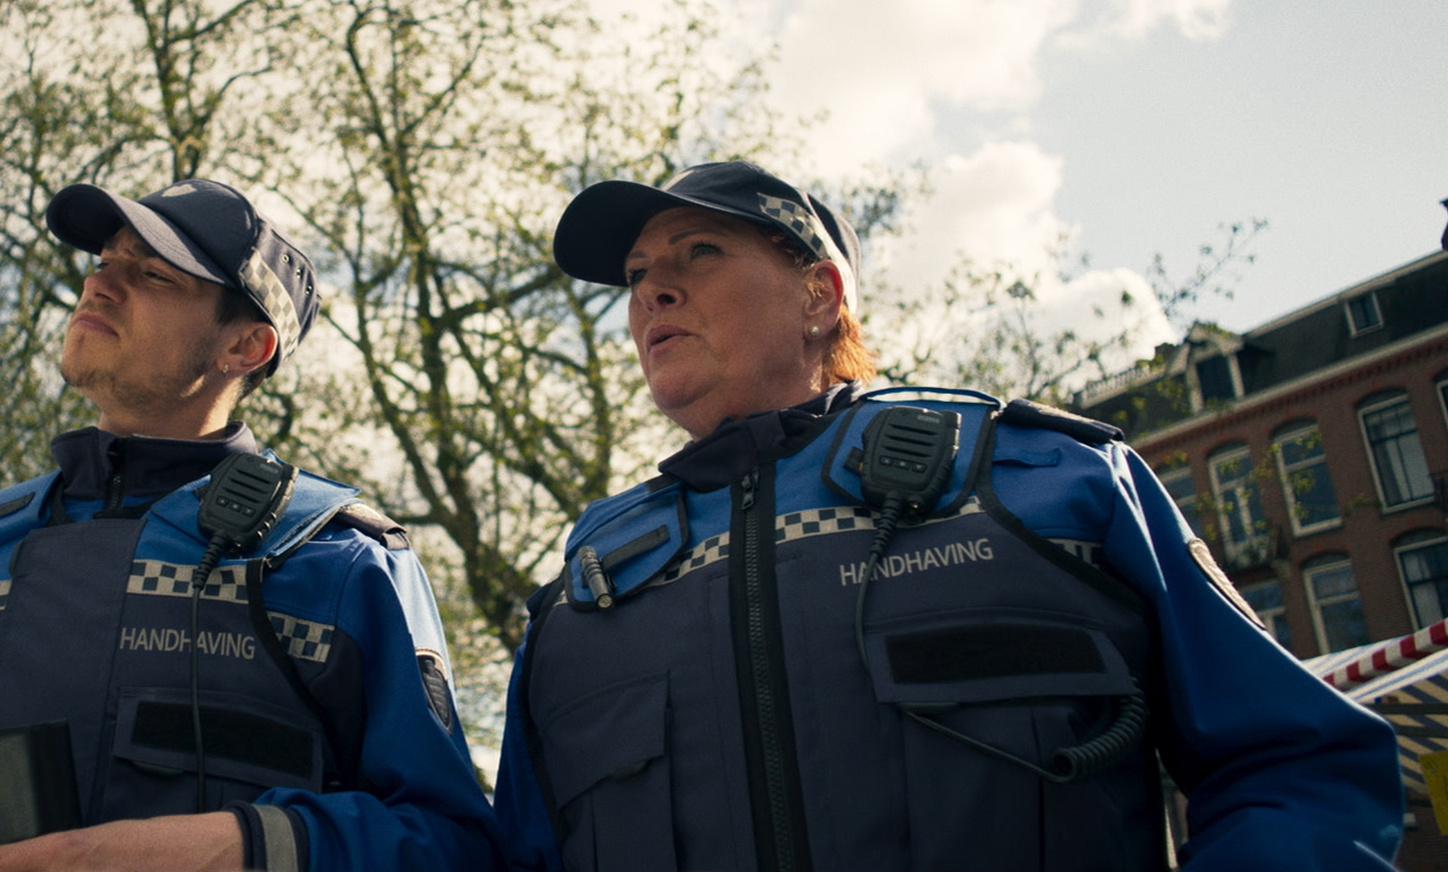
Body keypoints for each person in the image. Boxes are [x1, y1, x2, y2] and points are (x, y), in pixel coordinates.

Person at [494, 161, 1404, 872]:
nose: (652, 291)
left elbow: (1296, 765)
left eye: (698, 254)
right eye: (639, 274)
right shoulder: (581, 601)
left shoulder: (1054, 484)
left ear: (821, 294)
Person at [0, 179, 500, 872]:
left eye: (153, 274)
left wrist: (236, 847)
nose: (100, 285)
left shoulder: (338, 562)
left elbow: (452, 841)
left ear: (247, 348)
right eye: (106, 261)